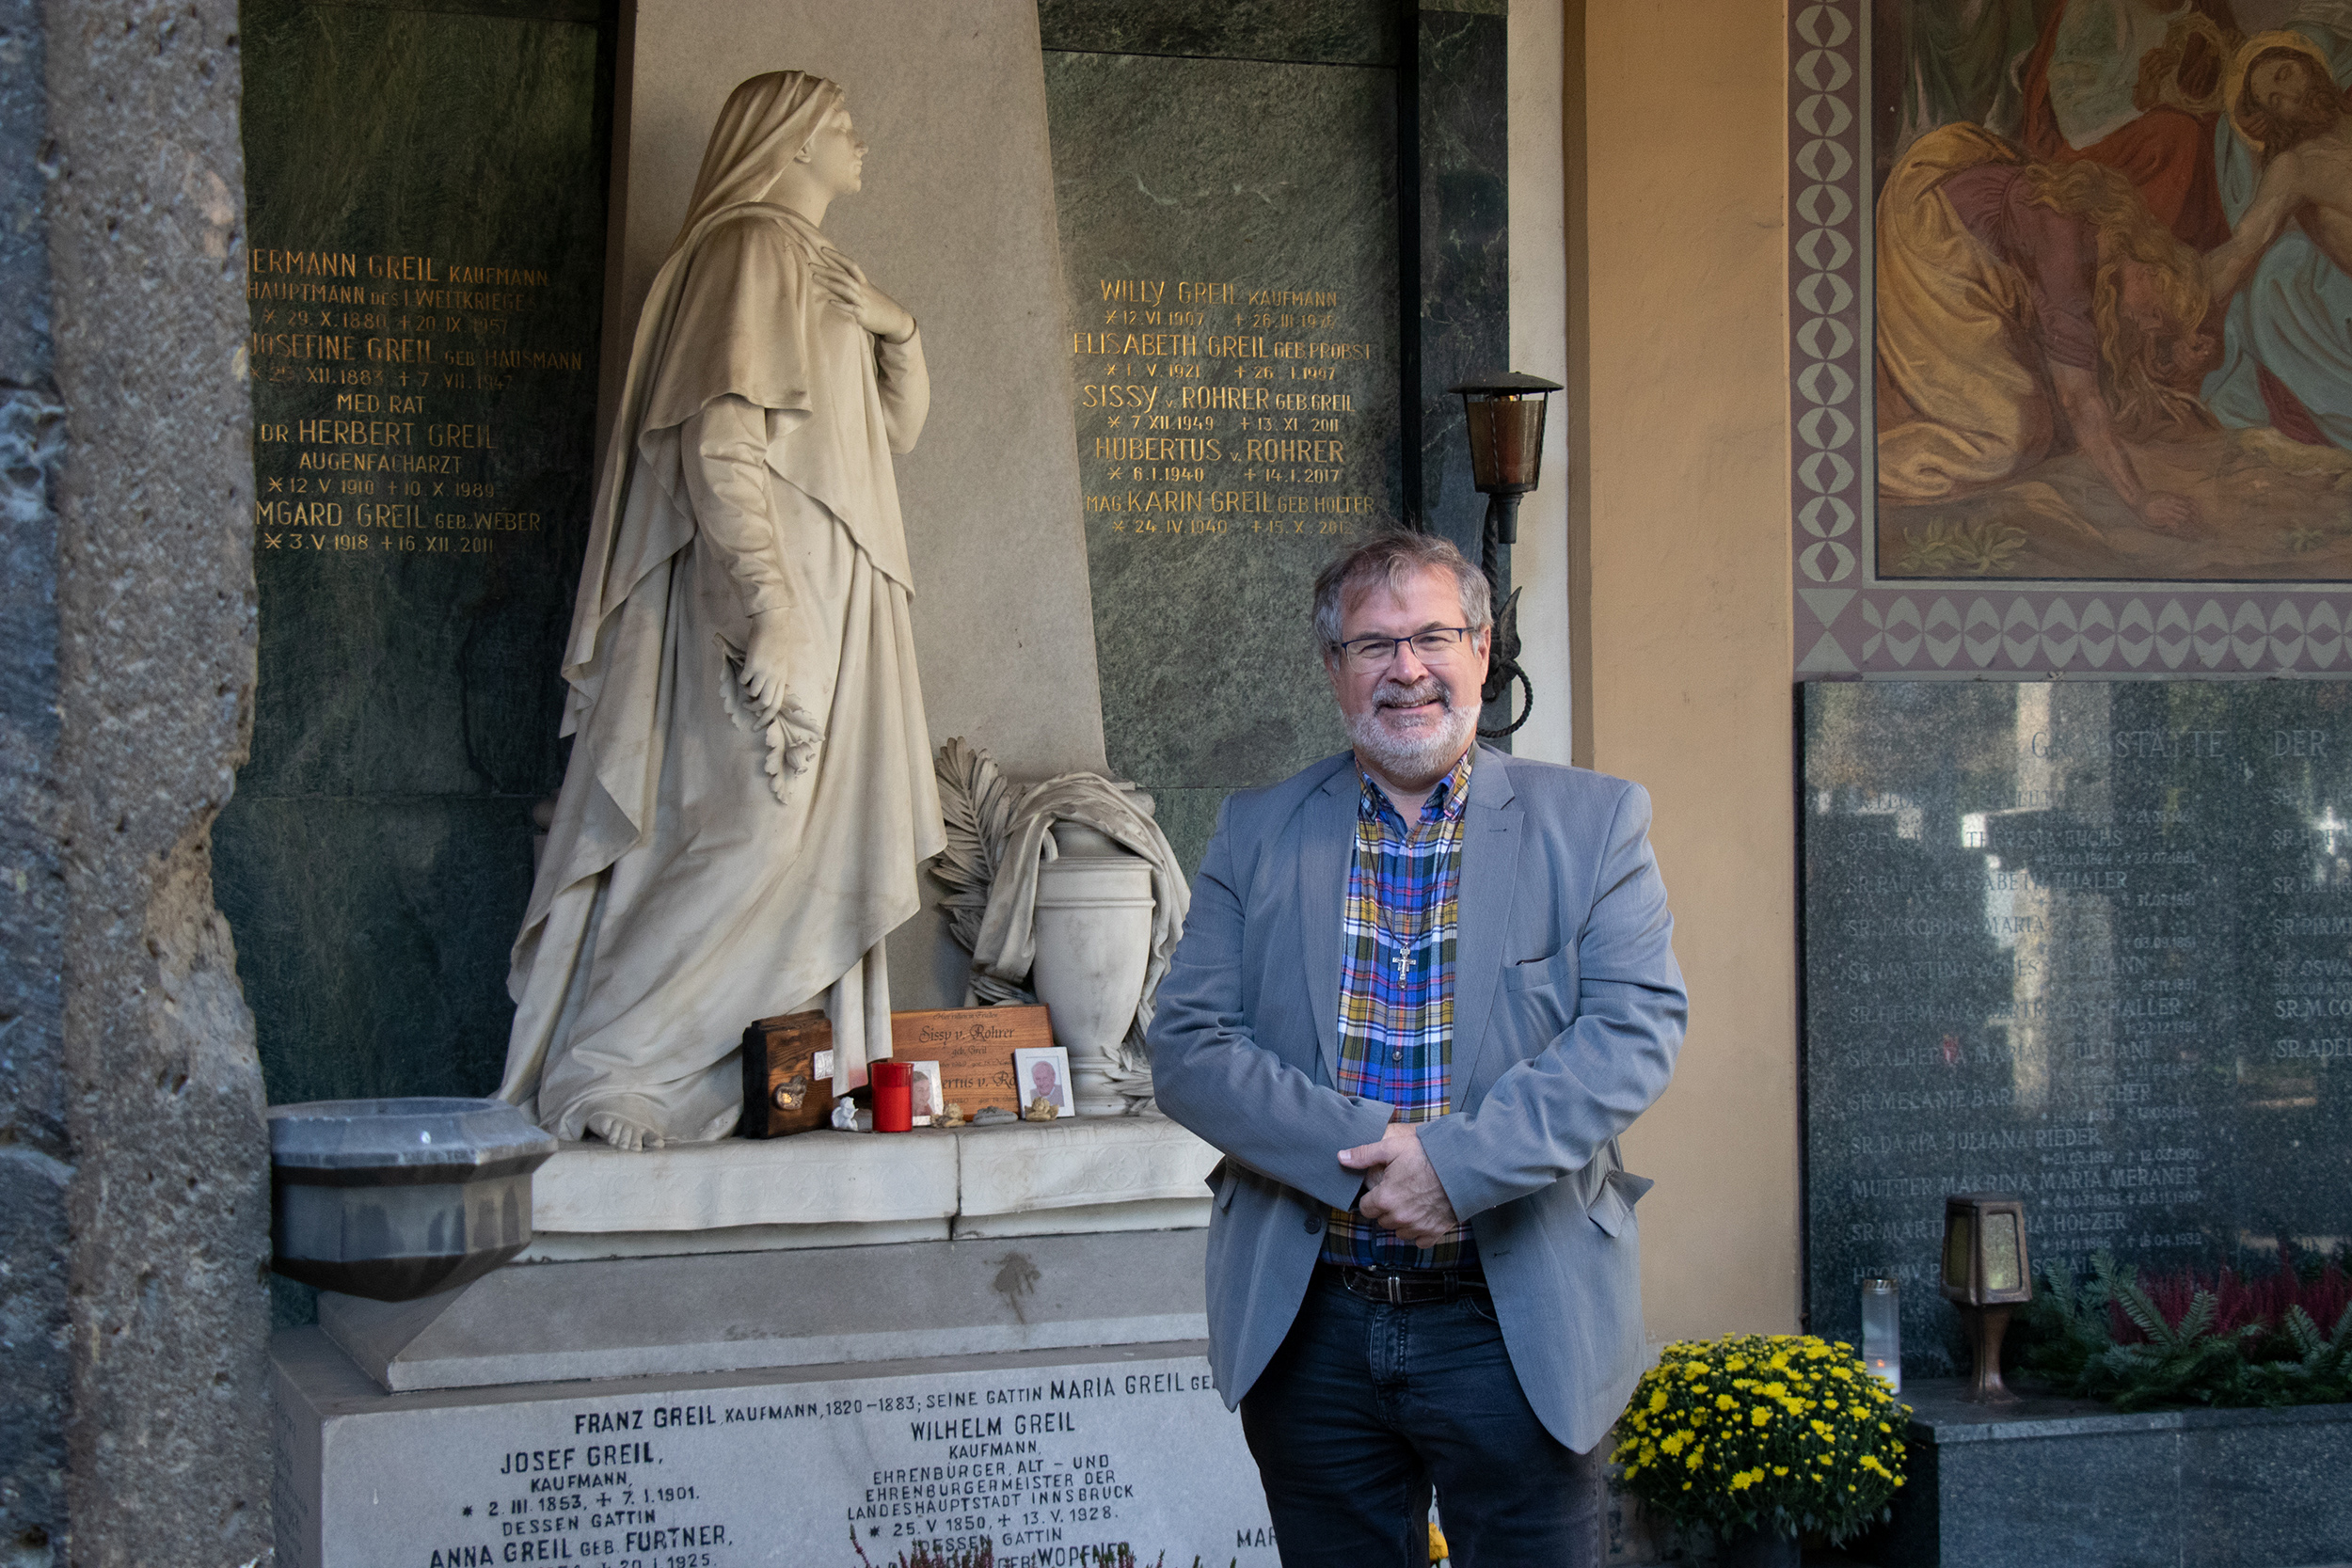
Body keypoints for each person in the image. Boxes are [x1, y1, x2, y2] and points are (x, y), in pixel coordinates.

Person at [1148, 531, 1687, 1568]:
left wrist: (1454, 1169)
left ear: (1482, 651)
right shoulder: (1255, 830)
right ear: (1333, 669)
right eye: (1372, 644)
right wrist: (1368, 1160)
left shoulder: (1595, 821)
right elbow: (1187, 1042)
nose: (1406, 667)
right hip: (1313, 1329)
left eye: (1433, 635)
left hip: (1513, 1314)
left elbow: (1631, 1033)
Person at [495, 71, 944, 1149]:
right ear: (788, 144)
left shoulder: (820, 265)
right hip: (772, 585)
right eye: (840, 127)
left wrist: (900, 329)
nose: (860, 143)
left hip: (839, 585)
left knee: (804, 842)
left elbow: (897, 433)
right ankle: (610, 1063)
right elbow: (718, 444)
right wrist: (772, 604)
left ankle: (713, 1073)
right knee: (746, 828)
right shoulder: (751, 249)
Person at [1875, 120, 2214, 531]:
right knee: (2013, 437)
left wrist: (2175, 347)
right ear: (2151, 271)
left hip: (1950, 211)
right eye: (2156, 316)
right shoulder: (2066, 254)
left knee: (2052, 424)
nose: (2144, 325)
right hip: (1929, 240)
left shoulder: (2104, 240)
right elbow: (2080, 400)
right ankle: (1863, 466)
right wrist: (2139, 501)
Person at [2201, 30, 2352, 447]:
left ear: (2313, 69)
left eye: (2285, 75)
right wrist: (2176, 297)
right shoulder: (2295, 166)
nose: (2285, 96)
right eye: (2272, 100)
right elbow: (2240, 252)